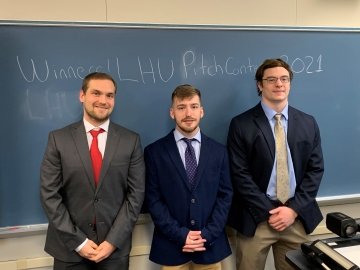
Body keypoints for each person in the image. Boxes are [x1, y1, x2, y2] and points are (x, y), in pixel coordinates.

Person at [40, 72, 145, 270]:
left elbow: (136, 195)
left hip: (114, 251)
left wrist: (113, 241)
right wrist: (79, 242)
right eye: (96, 93)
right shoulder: (58, 139)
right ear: (82, 96)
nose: (103, 100)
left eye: (109, 95)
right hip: (68, 250)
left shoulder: (131, 141)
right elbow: (49, 195)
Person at [227, 58, 324, 270]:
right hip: (256, 219)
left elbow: (315, 171)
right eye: (271, 79)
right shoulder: (241, 124)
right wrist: (269, 212)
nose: (279, 84)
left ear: (290, 83)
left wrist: (293, 210)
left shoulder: (308, 123)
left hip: (296, 218)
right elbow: (239, 174)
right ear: (260, 85)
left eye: (284, 79)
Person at [144, 84, 233, 270]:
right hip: (172, 247)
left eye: (193, 106)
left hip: (210, 246)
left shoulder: (219, 152)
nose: (188, 113)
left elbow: (225, 197)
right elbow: (153, 199)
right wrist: (180, 234)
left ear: (202, 111)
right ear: (172, 112)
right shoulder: (155, 152)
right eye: (181, 107)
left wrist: (207, 234)